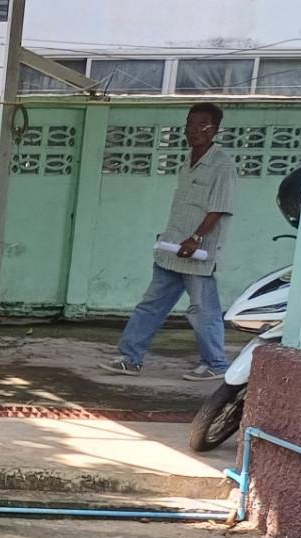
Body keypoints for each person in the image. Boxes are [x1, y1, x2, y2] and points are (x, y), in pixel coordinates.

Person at [101, 102, 238, 381]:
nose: (194, 129)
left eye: (202, 124)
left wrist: (196, 238)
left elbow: (219, 208)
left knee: (202, 311)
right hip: (171, 249)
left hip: (198, 253)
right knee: (150, 305)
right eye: (190, 123)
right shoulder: (188, 162)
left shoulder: (222, 165)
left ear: (216, 129)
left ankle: (215, 364)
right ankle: (130, 358)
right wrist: (172, 238)